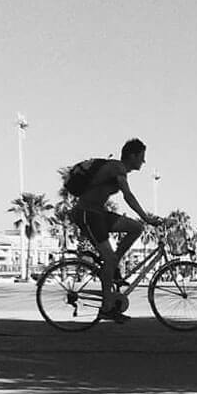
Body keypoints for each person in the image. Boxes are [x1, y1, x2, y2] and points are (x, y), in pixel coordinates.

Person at [70, 138, 158, 323]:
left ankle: (112, 266)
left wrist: (143, 221)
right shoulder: (117, 168)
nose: (143, 162)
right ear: (132, 156)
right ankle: (106, 308)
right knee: (111, 258)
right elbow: (128, 196)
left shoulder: (117, 169)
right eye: (142, 157)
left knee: (136, 227)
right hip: (86, 214)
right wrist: (147, 217)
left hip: (99, 214)